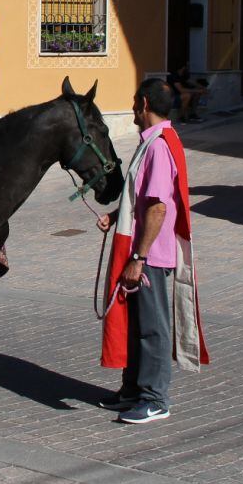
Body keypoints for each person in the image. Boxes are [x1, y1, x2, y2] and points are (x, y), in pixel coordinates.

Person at [96, 78, 209, 424]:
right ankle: (132, 390)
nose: (132, 108)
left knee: (152, 328)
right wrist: (118, 215)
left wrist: (139, 258)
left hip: (150, 255)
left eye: (134, 102)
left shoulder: (158, 146)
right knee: (136, 324)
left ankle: (155, 398)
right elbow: (145, 197)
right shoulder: (157, 142)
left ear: (143, 104)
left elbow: (158, 207)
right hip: (142, 248)